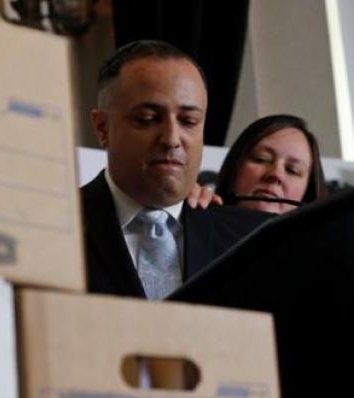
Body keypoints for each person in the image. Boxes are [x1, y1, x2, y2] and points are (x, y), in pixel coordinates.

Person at [83, 40, 271, 299]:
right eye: (148, 119)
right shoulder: (54, 227)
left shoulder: (253, 241)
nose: (172, 138)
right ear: (102, 128)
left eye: (189, 121)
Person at [214, 114, 327, 214]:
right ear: (235, 167)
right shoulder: (202, 218)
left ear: (307, 193)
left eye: (292, 170)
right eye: (262, 159)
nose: (276, 174)